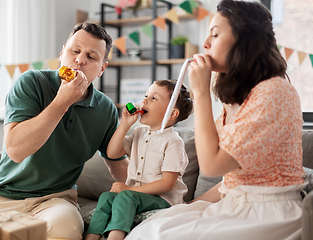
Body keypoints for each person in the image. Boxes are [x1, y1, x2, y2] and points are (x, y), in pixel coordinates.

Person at [125, 1, 307, 239]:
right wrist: (186, 207)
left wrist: (200, 93)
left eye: (216, 34)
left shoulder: (274, 92)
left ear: (245, 41)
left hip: (268, 210)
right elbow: (230, 183)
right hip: (234, 202)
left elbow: (211, 166)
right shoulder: (238, 99)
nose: (205, 44)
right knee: (153, 228)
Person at [0, 22, 129, 240]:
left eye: (91, 57)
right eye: (75, 51)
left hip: (57, 201)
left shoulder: (105, 109)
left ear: (102, 68)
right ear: (62, 53)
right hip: (1, 198)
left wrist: (155, 192)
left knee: (66, 233)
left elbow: (118, 165)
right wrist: (61, 102)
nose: (80, 60)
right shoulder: (32, 83)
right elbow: (16, 150)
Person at [85, 79, 194, 240]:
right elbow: (113, 153)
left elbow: (167, 183)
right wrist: (125, 125)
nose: (144, 101)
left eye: (153, 98)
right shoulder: (139, 133)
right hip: (134, 196)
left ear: (171, 114)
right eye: (146, 95)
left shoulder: (173, 142)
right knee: (106, 197)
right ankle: (91, 237)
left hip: (162, 200)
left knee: (125, 197)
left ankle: (115, 237)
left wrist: (129, 190)